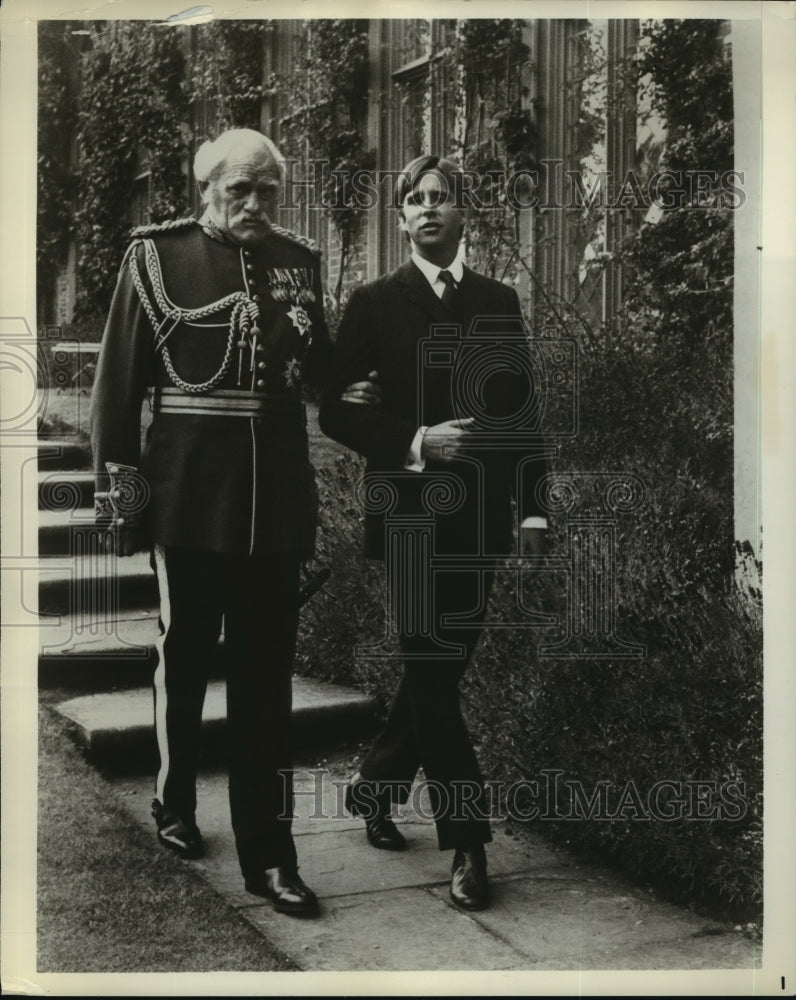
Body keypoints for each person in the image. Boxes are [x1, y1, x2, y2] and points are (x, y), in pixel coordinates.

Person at [90, 128, 378, 916]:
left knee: (265, 686)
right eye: (238, 190)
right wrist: (122, 500)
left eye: (267, 192)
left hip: (276, 503)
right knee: (185, 657)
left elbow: (318, 375)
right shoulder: (154, 257)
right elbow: (118, 390)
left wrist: (381, 378)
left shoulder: (298, 261)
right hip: (186, 497)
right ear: (206, 190)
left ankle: (270, 857)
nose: (254, 204)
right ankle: (175, 801)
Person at [319, 154, 549, 911]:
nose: (426, 209)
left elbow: (520, 415)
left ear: (462, 214)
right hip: (413, 520)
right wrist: (418, 439)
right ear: (401, 218)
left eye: (440, 198)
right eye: (413, 200)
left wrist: (536, 509)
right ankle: (469, 845)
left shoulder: (498, 300)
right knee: (435, 677)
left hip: (480, 521)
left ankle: (373, 786)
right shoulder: (373, 303)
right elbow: (338, 413)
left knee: (437, 676)